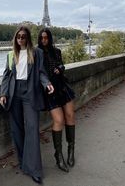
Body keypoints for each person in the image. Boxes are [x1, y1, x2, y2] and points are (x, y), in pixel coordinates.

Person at [0, 26, 54, 184]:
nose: (21, 39)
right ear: (15, 39)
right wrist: (3, 94)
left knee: (32, 129)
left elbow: (41, 72)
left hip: (30, 93)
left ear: (28, 38)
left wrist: (47, 83)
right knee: (17, 130)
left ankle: (35, 170)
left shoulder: (37, 53)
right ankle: (24, 163)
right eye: (18, 37)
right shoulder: (11, 55)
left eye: (23, 37)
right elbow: (6, 75)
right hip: (14, 93)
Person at [38, 28, 76, 173]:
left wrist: (60, 68)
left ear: (50, 38)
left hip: (62, 87)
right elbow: (38, 73)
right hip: (49, 90)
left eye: (46, 38)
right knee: (59, 120)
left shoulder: (57, 51)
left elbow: (62, 65)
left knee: (70, 116)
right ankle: (58, 154)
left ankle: (71, 149)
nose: (44, 40)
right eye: (41, 38)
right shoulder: (37, 53)